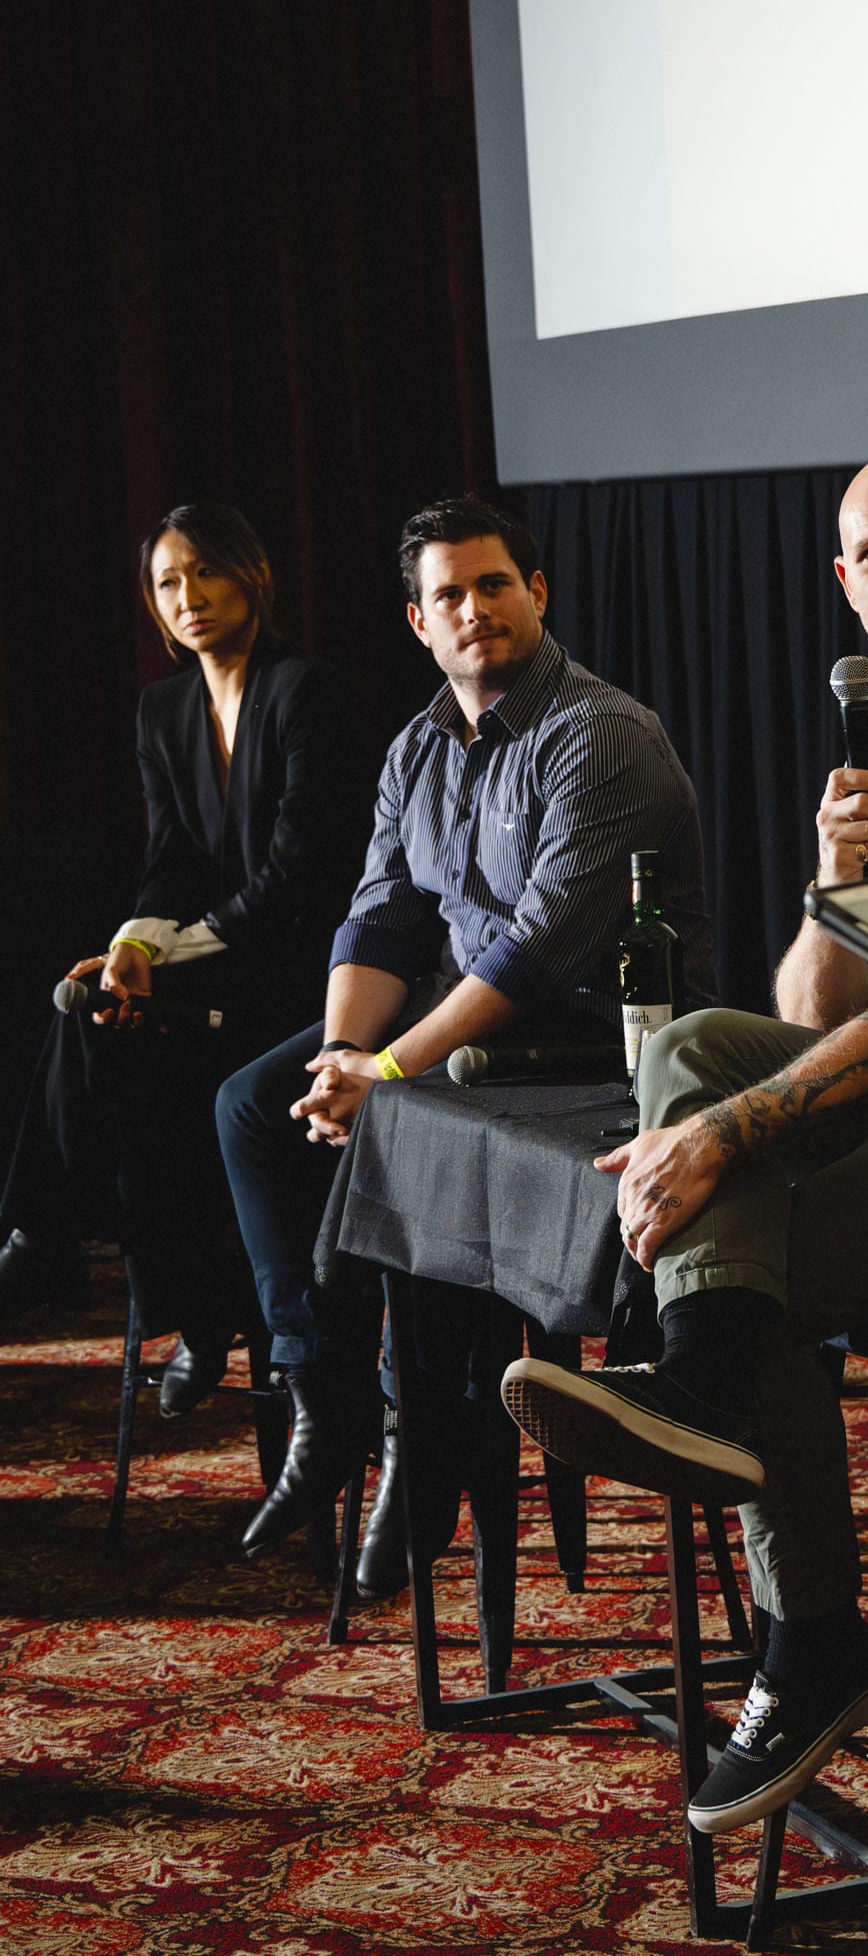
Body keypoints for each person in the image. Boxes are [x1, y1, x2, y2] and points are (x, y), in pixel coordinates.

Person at [503, 447, 868, 1832]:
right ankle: (707, 1381)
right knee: (695, 1045)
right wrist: (834, 888)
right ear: (843, 585)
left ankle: (810, 1622)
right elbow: (804, 1012)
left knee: (740, 1225)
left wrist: (711, 1148)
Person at [217, 494, 715, 1590]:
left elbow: (535, 957)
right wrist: (338, 1061)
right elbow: (381, 916)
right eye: (450, 594)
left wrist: (384, 1070)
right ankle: (327, 1393)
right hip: (461, 1032)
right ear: (419, 623)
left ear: (536, 594)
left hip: (591, 1042)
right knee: (255, 1106)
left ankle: (420, 1437)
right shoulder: (416, 749)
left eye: (495, 584)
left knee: (401, 1113)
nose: (475, 608)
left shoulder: (602, 733)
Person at [0, 502, 367, 1415]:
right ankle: (182, 1302)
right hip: (212, 968)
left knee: (131, 1049)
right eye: (168, 581)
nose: (188, 596)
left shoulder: (304, 690)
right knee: (96, 1017)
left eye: (205, 571)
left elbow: (297, 877)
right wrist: (132, 945)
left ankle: (64, 1250)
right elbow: (172, 859)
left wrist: (168, 953)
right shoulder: (162, 710)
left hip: (303, 974)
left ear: (251, 576)